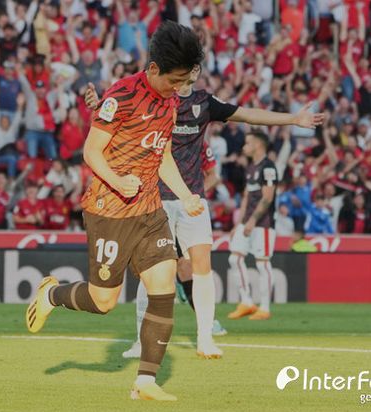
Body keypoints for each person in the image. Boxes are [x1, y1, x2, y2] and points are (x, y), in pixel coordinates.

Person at [85, 63, 323, 359]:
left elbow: (247, 114)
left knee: (202, 265)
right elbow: (118, 117)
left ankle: (205, 338)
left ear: (196, 72)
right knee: (153, 272)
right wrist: (98, 106)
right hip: (155, 196)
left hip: (192, 198)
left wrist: (292, 119)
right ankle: (142, 341)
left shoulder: (204, 103)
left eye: (193, 67)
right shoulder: (157, 98)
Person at [25, 21, 205, 402]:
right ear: (153, 68)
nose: (178, 88)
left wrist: (186, 195)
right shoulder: (121, 95)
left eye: (183, 81)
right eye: (174, 80)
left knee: (163, 285)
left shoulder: (170, 102)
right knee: (103, 301)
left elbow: (162, 154)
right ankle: (52, 294)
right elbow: (91, 152)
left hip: (149, 209)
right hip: (109, 209)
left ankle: (145, 382)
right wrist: (118, 180)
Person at [228, 131, 278, 321]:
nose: (244, 147)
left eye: (247, 143)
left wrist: (252, 220)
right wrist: (238, 223)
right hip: (246, 221)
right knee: (234, 259)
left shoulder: (268, 167)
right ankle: (247, 301)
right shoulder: (250, 167)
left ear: (258, 145)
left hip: (263, 223)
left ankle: (265, 307)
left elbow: (268, 197)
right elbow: (247, 197)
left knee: (262, 263)